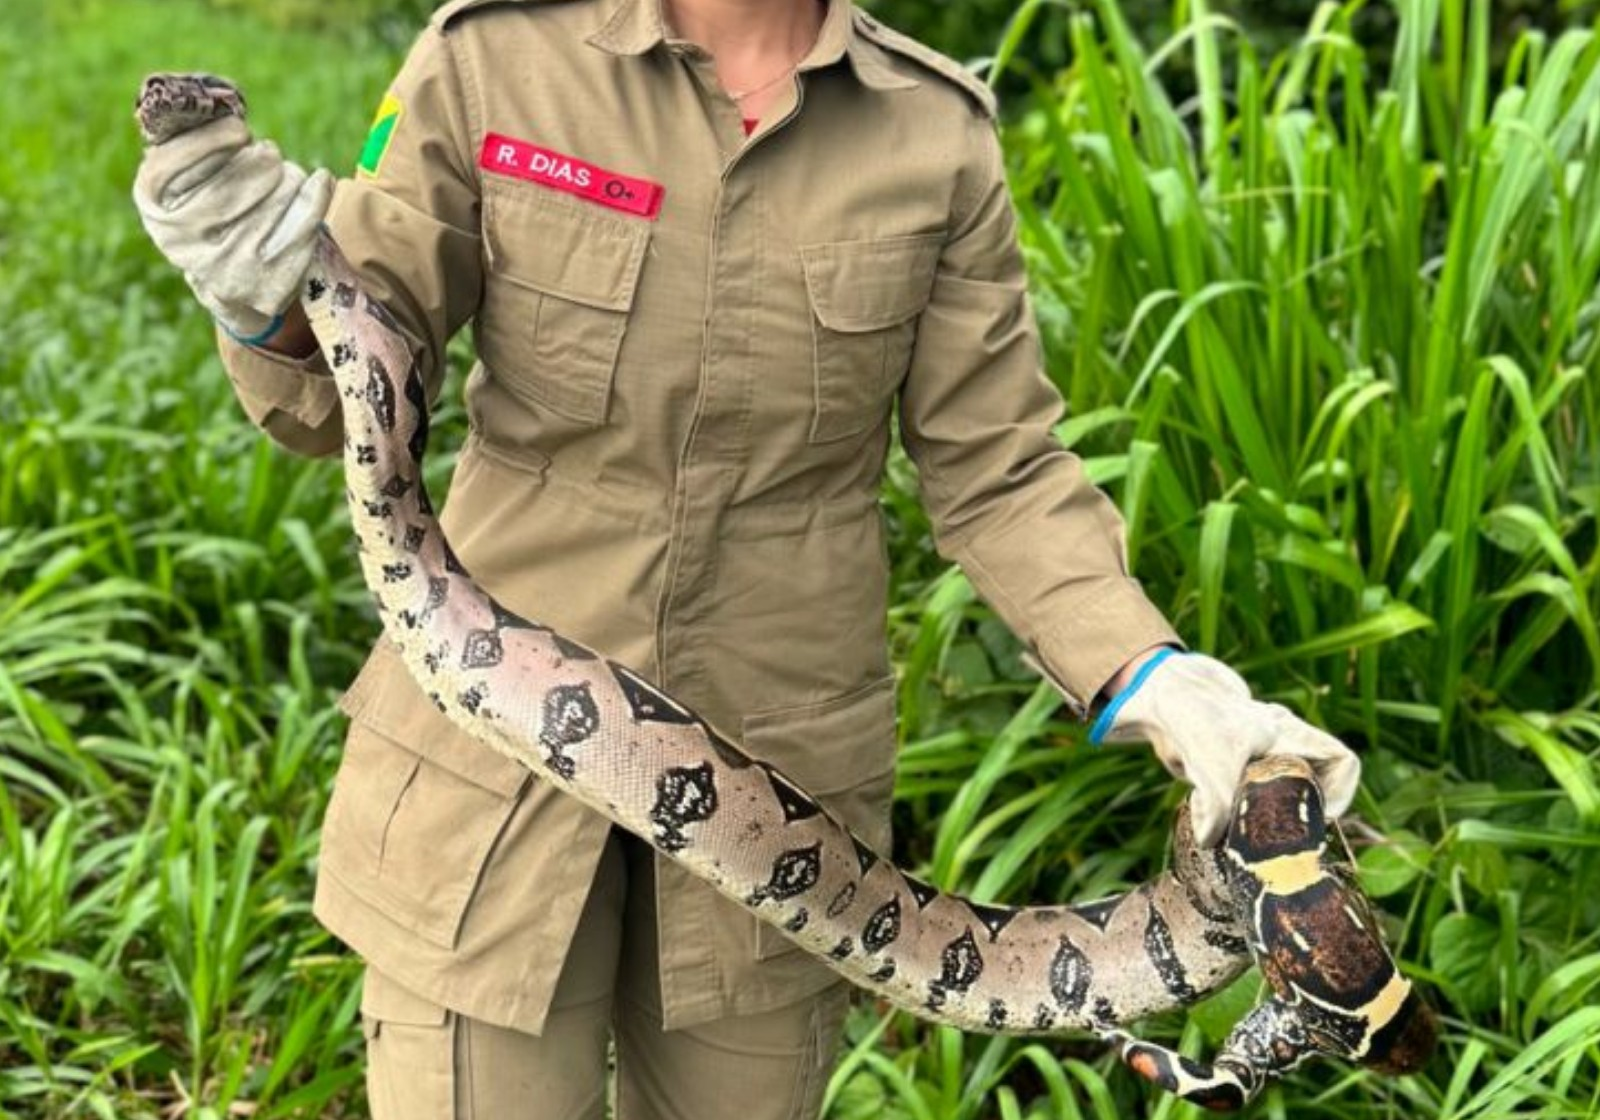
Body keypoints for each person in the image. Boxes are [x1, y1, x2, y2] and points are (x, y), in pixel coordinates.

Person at [134, 0, 1361, 1116]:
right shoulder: (491, 60)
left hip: (785, 792)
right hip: (483, 783)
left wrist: (1155, 676)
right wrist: (262, 300)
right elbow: (341, 391)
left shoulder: (933, 135)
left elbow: (999, 469)